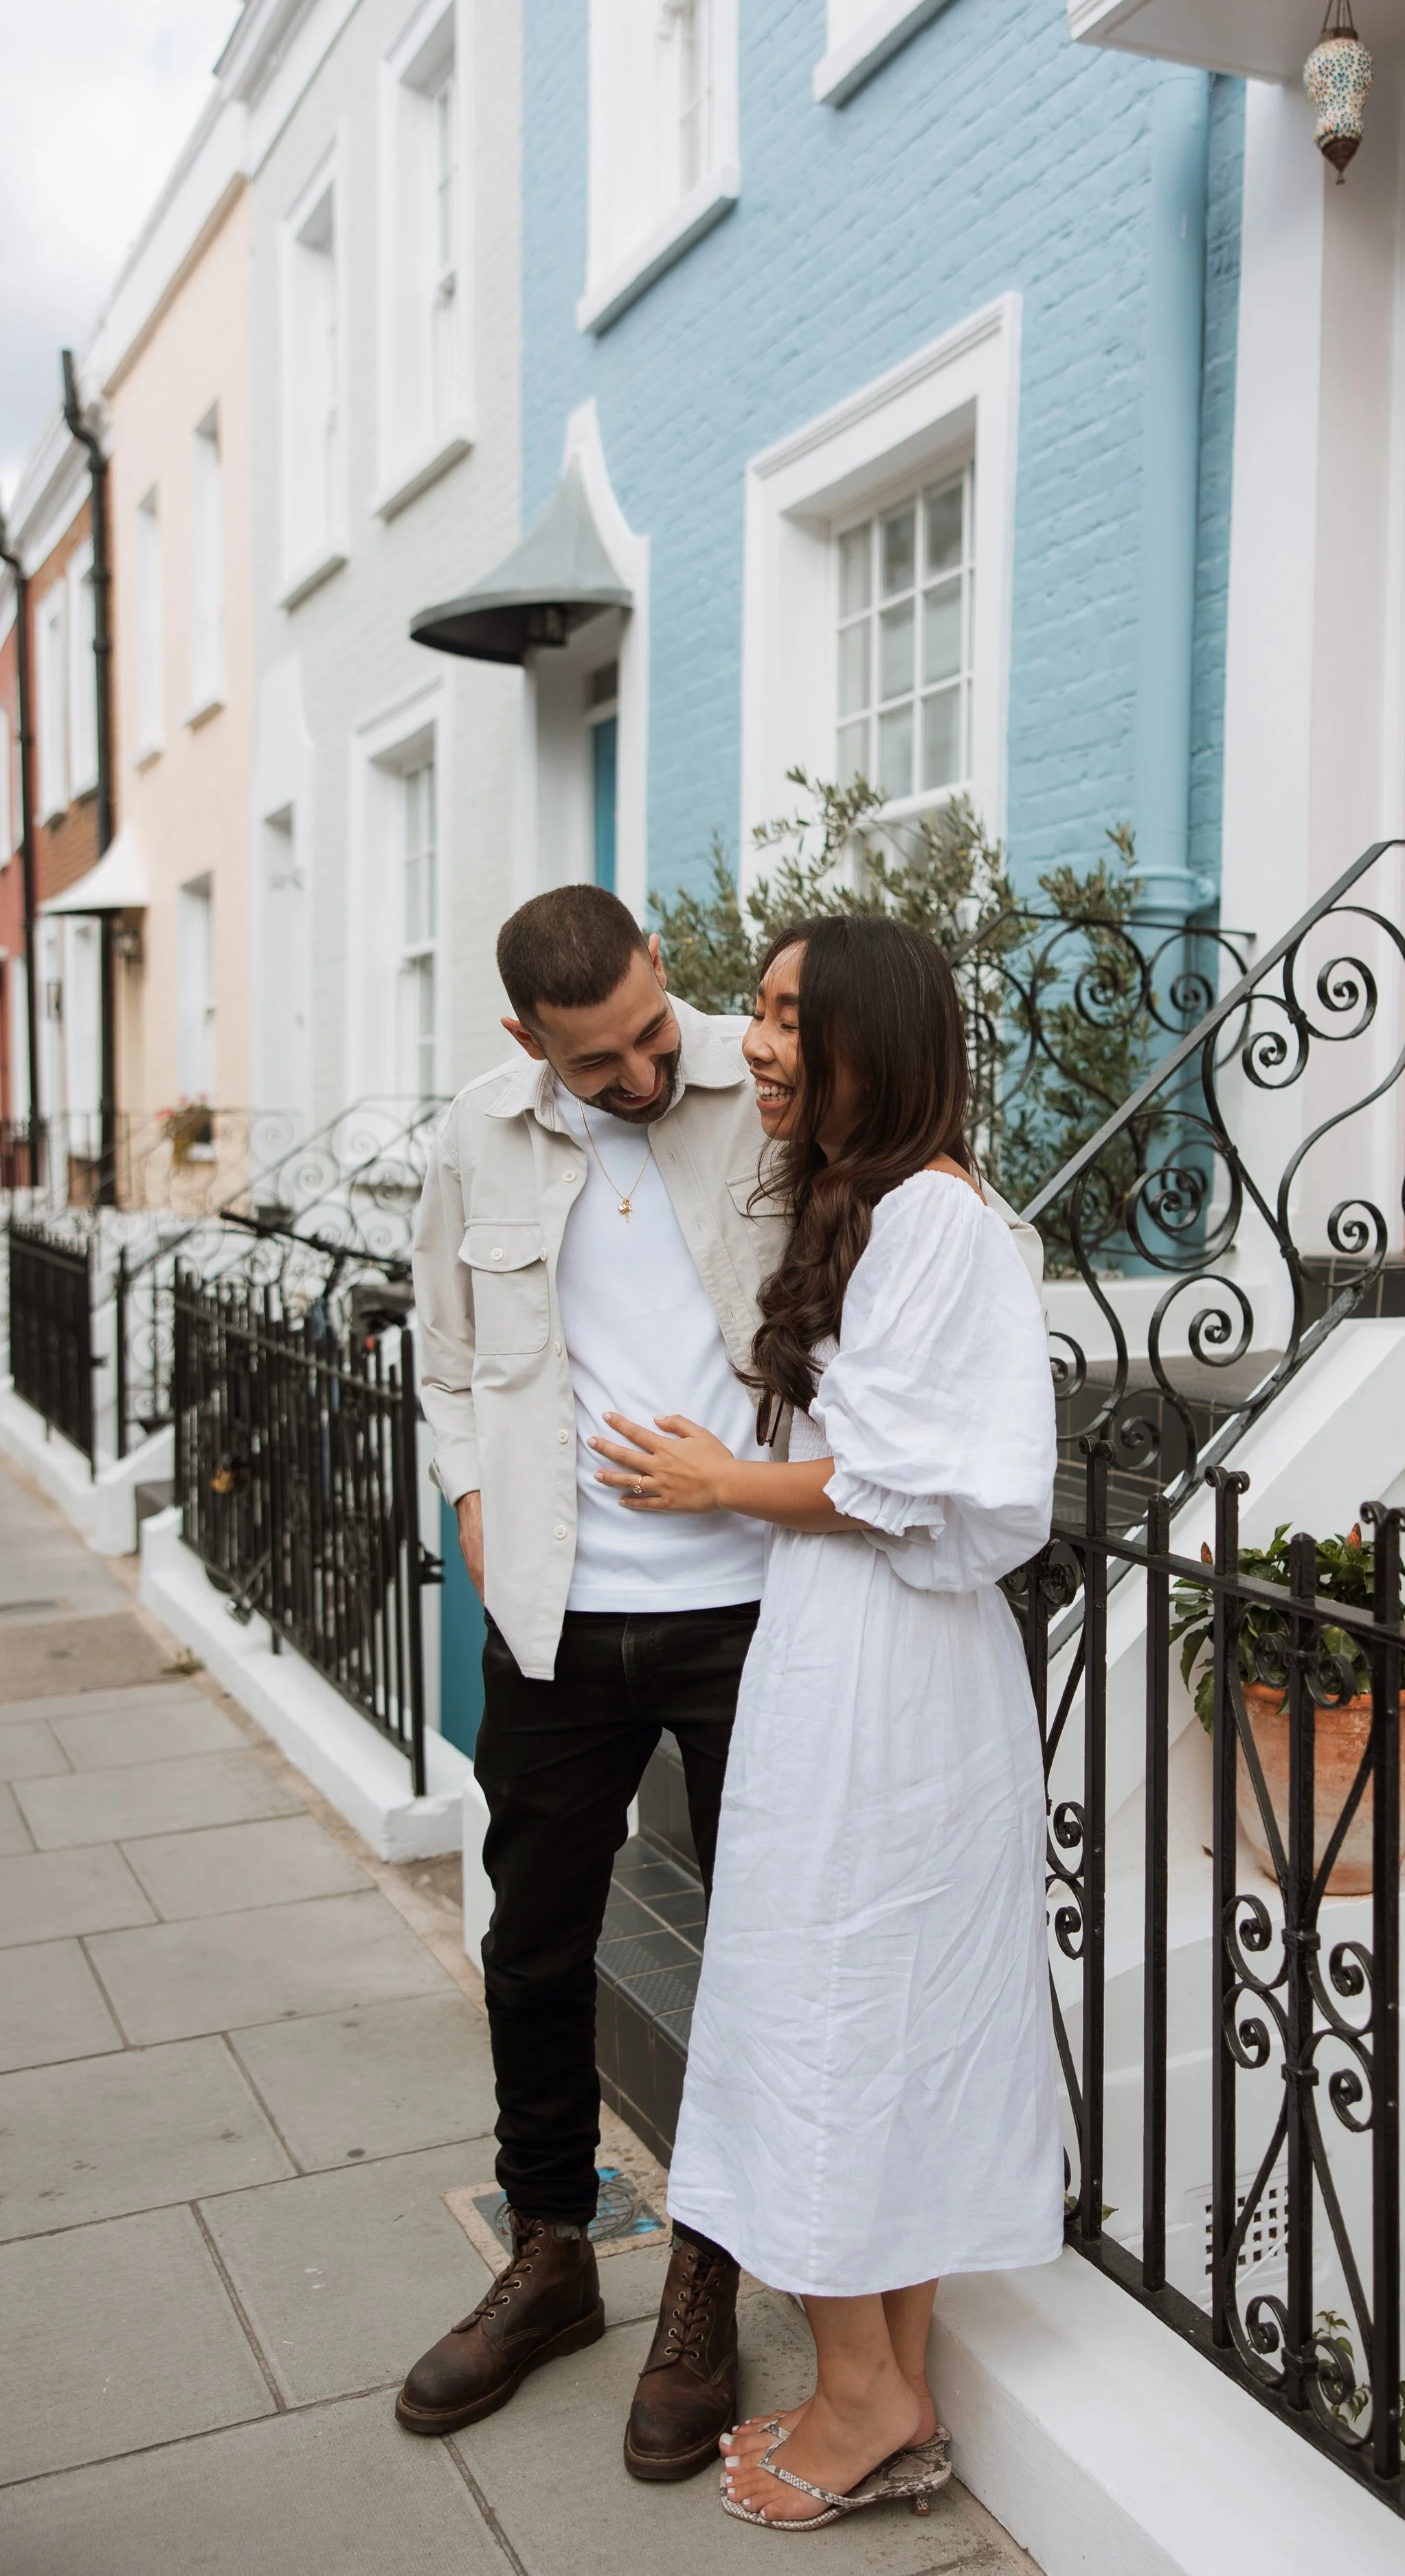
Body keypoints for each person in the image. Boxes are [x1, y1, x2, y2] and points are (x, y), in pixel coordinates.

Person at [588, 914, 1065, 2529]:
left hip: (889, 1678)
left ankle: (867, 2397)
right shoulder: (864, 1206)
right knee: (871, 2004)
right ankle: (886, 2388)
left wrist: (718, 1481)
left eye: (792, 1019)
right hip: (850, 1654)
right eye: (761, 1012)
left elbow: (931, 1483)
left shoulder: (937, 1221)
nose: (758, 1043)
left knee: (841, 1998)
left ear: (876, 1037)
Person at [402, 885, 785, 2476]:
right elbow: (439, 1350)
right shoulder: (472, 1140)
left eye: (651, 1029)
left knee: (753, 1953)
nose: (641, 1072)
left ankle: (708, 2278)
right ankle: (552, 2250)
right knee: (535, 1944)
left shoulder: (765, 1089)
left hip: (754, 1606)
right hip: (558, 1617)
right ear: (524, 1041)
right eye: (600, 1059)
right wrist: (477, 1508)